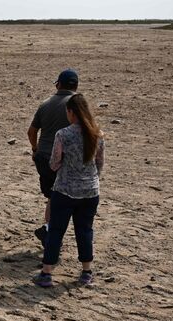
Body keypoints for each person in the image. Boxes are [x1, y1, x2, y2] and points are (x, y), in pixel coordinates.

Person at [33, 94, 104, 288]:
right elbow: (99, 165)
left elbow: (54, 164)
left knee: (56, 230)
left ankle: (47, 273)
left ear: (71, 112)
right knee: (85, 230)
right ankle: (86, 272)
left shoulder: (63, 134)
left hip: (65, 189)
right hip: (90, 191)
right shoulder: (97, 134)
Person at [28, 69, 79, 248]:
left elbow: (32, 131)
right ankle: (50, 231)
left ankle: (49, 231)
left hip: (43, 158)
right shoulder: (77, 105)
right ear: (76, 85)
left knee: (52, 195)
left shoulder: (46, 103)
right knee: (63, 199)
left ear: (58, 84)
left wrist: (35, 150)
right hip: (64, 160)